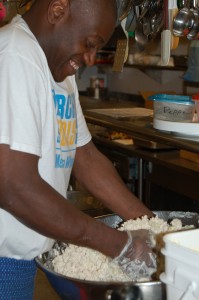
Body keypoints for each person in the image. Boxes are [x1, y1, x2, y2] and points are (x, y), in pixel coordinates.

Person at [0, 0, 156, 298]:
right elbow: (13, 185)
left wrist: (151, 228)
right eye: (89, 43)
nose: (89, 58)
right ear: (58, 11)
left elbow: (85, 157)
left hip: (18, 268)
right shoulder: (15, 55)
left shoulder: (58, 70)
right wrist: (119, 246)